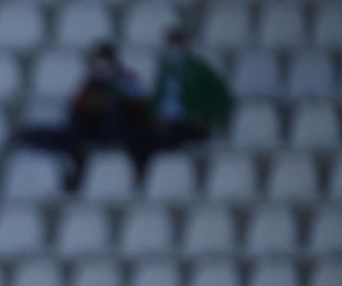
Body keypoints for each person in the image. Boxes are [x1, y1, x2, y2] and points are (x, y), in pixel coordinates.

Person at [18, 42, 149, 190]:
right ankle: (74, 172)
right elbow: (76, 104)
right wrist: (93, 104)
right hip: (91, 129)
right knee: (71, 127)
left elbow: (138, 105)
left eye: (105, 60)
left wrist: (114, 100)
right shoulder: (91, 82)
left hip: (119, 128)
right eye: (99, 60)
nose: (102, 65)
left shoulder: (127, 79)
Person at [147, 27, 232, 156]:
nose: (174, 47)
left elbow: (223, 97)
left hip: (189, 123)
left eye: (178, 42)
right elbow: (155, 100)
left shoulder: (199, 70)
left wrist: (203, 116)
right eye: (171, 43)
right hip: (165, 122)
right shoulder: (165, 71)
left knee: (168, 136)